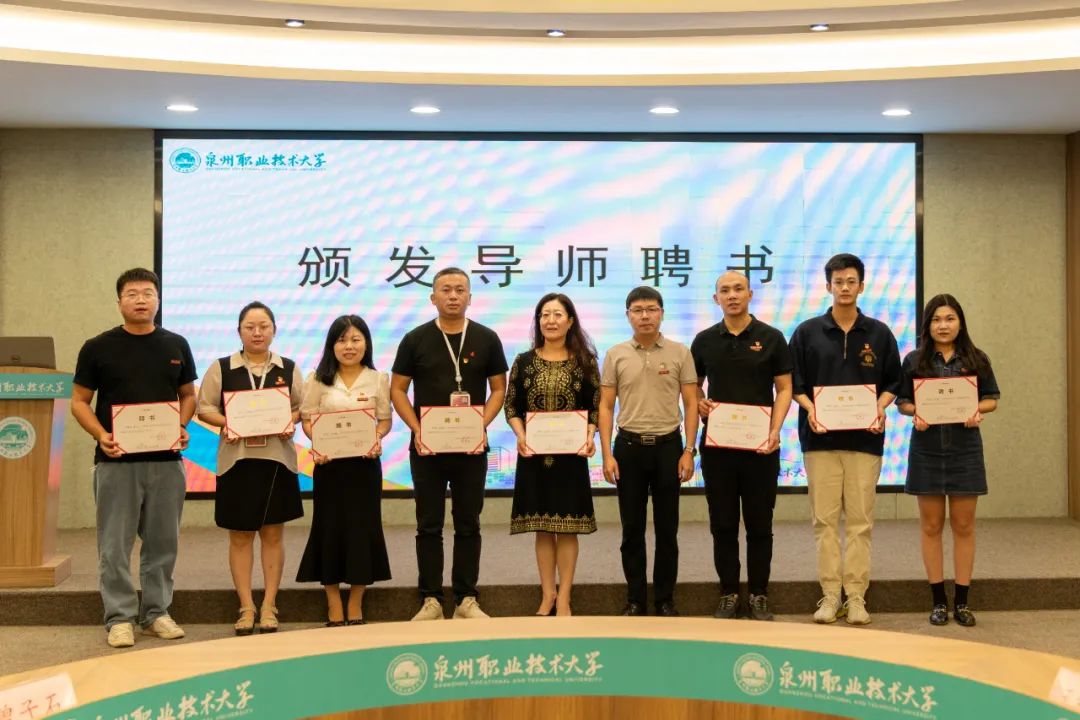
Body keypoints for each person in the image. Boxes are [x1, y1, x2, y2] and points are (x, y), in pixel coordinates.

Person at [71, 268, 196, 648]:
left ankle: (156, 614)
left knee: (163, 543)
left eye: (147, 293)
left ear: (158, 299)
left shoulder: (176, 344)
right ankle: (119, 618)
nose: (140, 300)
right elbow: (79, 402)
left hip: (166, 462)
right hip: (115, 462)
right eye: (132, 294)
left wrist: (181, 425)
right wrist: (101, 435)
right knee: (114, 545)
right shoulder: (97, 347)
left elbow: (188, 396)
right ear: (119, 301)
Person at [789, 253, 901, 626]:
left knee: (860, 521)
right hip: (819, 440)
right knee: (824, 521)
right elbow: (795, 383)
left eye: (851, 281)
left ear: (861, 286)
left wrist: (880, 407)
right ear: (828, 286)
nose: (845, 287)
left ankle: (855, 596)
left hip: (864, 441)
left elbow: (894, 381)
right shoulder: (807, 332)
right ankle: (830, 595)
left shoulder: (879, 333)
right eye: (838, 282)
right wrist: (811, 409)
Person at [391, 267, 508, 620]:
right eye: (445, 289)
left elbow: (498, 389)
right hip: (427, 449)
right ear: (433, 297)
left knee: (468, 522)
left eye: (460, 289)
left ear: (470, 297)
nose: (453, 295)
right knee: (428, 524)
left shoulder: (487, 338)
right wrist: (417, 429)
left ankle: (465, 598)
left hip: (470, 448)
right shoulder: (415, 339)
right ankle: (430, 599)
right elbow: (398, 390)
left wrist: (479, 424)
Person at [196, 301, 304, 635]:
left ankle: (270, 604)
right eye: (250, 327)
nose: (257, 333)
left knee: (273, 534)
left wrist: (288, 420)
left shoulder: (288, 367)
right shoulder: (222, 368)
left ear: (274, 330)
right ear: (239, 331)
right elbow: (204, 408)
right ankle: (246, 606)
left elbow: (302, 407)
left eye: (263, 326)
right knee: (240, 536)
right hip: (236, 462)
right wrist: (228, 422)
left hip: (276, 461)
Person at [691, 271, 793, 621]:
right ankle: (729, 593)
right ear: (716, 298)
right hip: (717, 448)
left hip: (761, 448)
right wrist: (699, 401)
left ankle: (760, 594)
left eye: (738, 289)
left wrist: (775, 429)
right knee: (722, 524)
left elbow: (785, 388)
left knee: (760, 524)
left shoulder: (772, 337)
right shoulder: (704, 340)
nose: (732, 295)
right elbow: (693, 385)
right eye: (725, 290)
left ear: (750, 294)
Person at [895, 294, 999, 627]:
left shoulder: (976, 358)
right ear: (927, 325)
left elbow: (991, 399)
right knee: (931, 526)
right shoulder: (914, 360)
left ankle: (962, 602)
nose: (943, 325)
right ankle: (939, 601)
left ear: (960, 322)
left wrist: (975, 409)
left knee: (964, 526)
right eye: (937, 320)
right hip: (926, 450)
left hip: (964, 450)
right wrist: (916, 411)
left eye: (950, 318)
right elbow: (902, 402)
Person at [599, 286, 698, 617]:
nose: (645, 316)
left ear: (662, 313)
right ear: (628, 315)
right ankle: (635, 599)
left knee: (668, 530)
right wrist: (606, 454)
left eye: (651, 309)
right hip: (628, 449)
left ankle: (665, 599)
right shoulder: (615, 354)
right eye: (638, 310)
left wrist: (689, 450)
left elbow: (691, 403)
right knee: (632, 530)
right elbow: (606, 406)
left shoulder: (680, 352)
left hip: (669, 448)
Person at [505, 293, 599, 617]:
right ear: (538, 321)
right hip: (534, 456)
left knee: (568, 527)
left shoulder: (585, 362)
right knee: (543, 527)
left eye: (558, 314)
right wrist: (520, 435)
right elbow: (512, 406)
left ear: (570, 321)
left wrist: (590, 436)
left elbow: (595, 407)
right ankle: (548, 594)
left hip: (571, 458)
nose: (551, 320)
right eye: (545, 314)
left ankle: (566, 597)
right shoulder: (523, 361)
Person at [297, 315, 392, 626]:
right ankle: (333, 601)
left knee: (363, 530)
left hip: (365, 467)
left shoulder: (378, 379)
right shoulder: (317, 379)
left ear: (366, 343)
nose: (349, 346)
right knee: (329, 530)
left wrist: (377, 437)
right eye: (342, 340)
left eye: (355, 339)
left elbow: (384, 419)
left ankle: (356, 601)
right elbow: (308, 418)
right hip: (329, 467)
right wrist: (318, 442)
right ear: (332, 345)